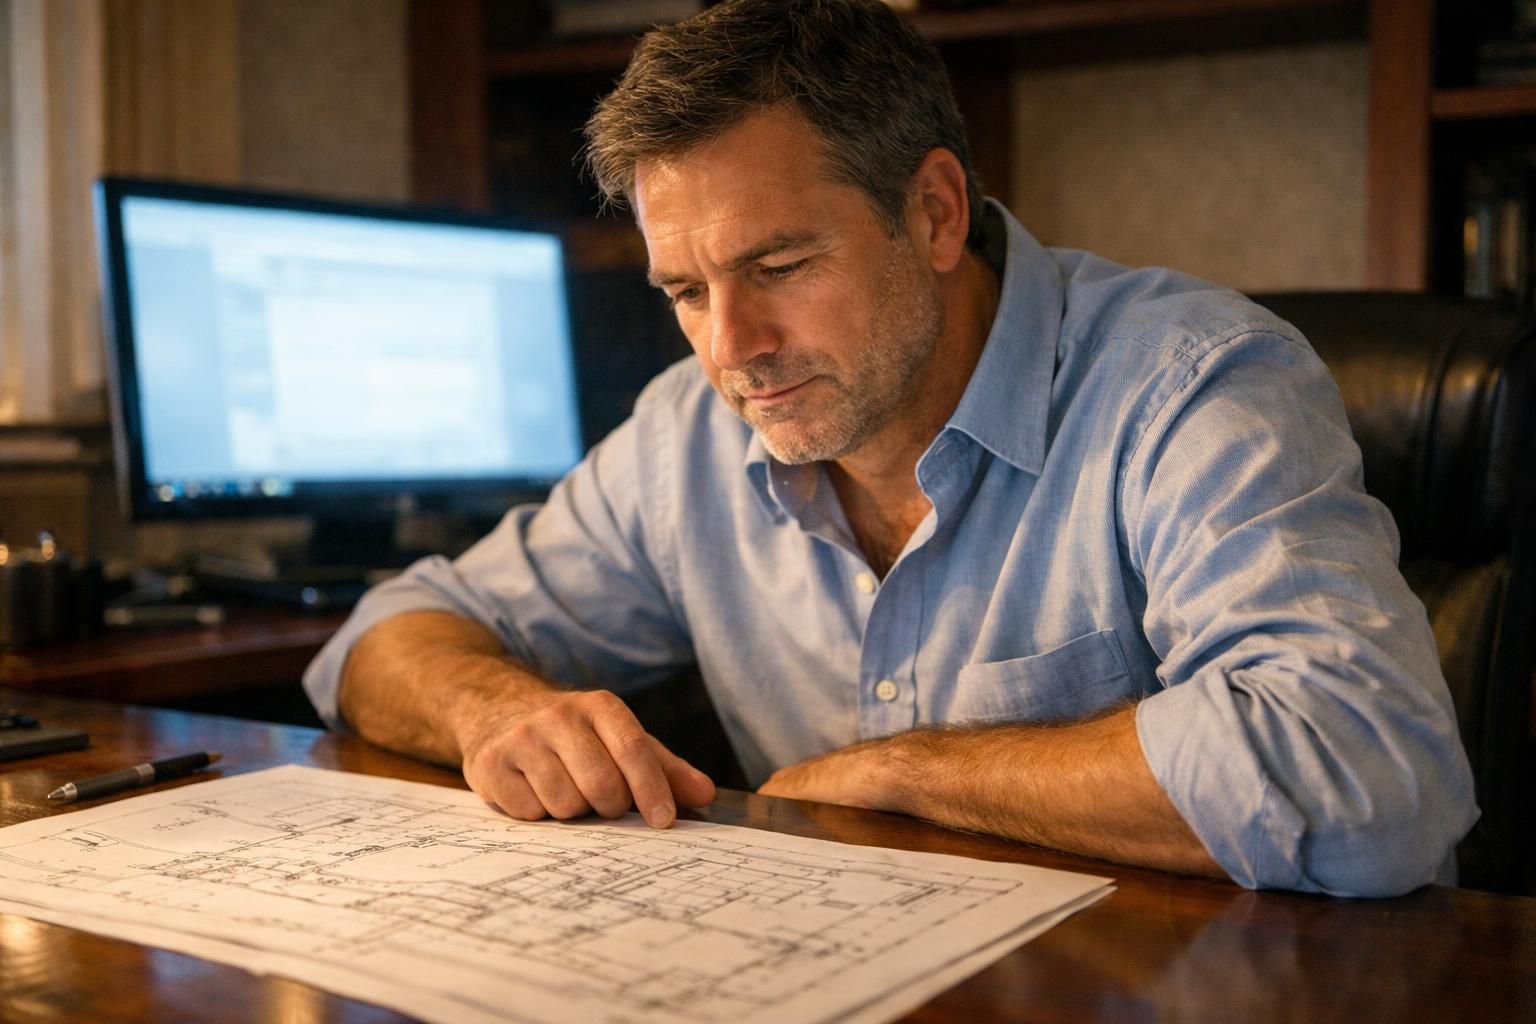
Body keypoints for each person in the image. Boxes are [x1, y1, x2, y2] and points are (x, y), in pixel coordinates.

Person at [304, 0, 1475, 897]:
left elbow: (1368, 768)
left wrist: (902, 770)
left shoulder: (1191, 385)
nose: (735, 348)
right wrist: (492, 712)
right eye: (685, 290)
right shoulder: (687, 431)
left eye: (778, 268)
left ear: (935, 214)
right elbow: (386, 633)